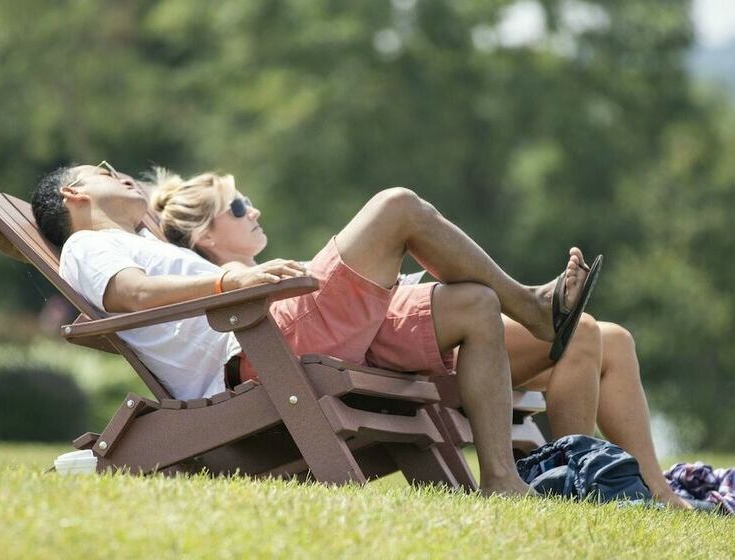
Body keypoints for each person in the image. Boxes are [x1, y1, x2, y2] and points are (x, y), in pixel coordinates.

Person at [32, 161, 597, 498]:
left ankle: (500, 477)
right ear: (73, 196)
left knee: (473, 305)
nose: (118, 173)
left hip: (275, 325)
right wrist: (232, 278)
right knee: (395, 206)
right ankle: (532, 307)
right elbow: (131, 295)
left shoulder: (139, 240)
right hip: (260, 346)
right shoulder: (88, 245)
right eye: (100, 173)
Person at [149, 168, 688, 508]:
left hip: (339, 331)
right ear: (206, 236)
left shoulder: (263, 273)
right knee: (397, 205)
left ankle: (612, 487)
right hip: (278, 347)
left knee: (564, 325)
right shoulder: (199, 280)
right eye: (238, 207)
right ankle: (531, 307)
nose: (254, 209)